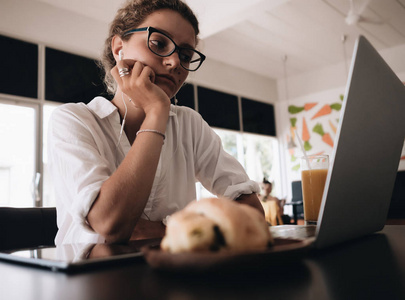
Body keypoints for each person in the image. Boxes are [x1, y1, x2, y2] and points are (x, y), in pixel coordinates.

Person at [48, 0, 264, 245]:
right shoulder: (73, 120)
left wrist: (157, 229)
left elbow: (252, 214)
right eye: (159, 43)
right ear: (119, 48)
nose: (174, 63)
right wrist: (156, 111)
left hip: (176, 276)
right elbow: (110, 224)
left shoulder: (190, 124)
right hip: (89, 279)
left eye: (185, 55)